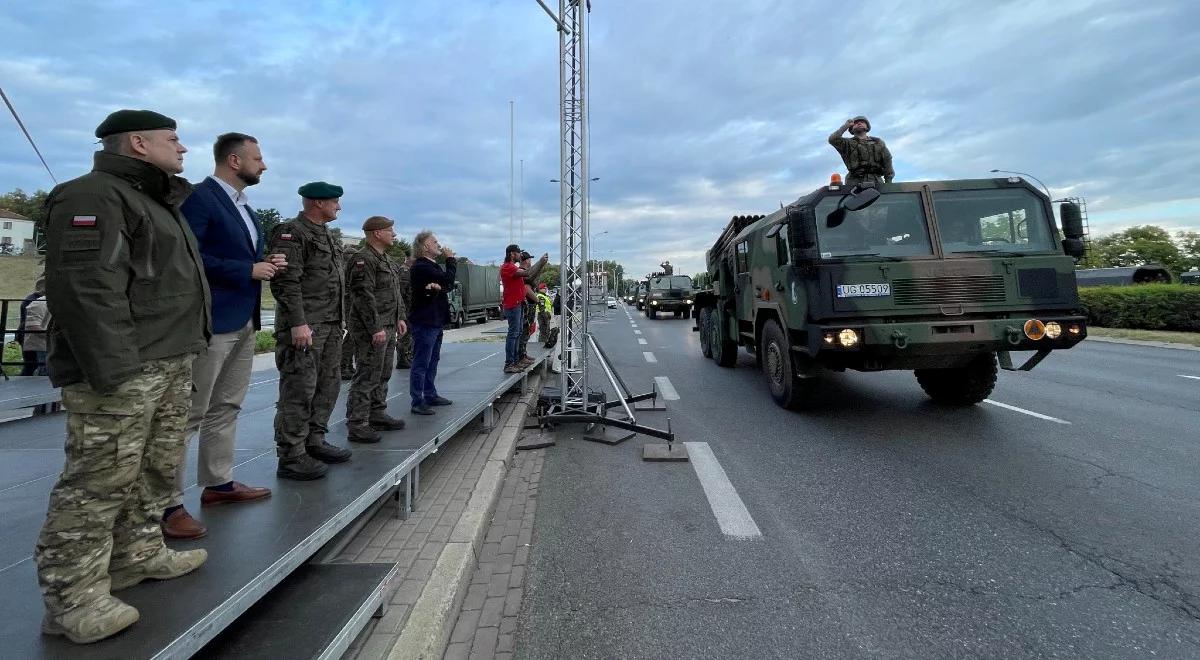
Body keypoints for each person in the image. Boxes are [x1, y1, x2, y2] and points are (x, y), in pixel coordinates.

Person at [35, 109, 211, 644]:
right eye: (172, 140)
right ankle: (72, 600)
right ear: (137, 143)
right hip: (124, 369)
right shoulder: (92, 195)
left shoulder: (156, 199)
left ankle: (136, 555)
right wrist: (113, 372)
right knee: (98, 483)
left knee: (153, 470)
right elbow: (87, 289)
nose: (182, 150)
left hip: (168, 359)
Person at [164, 132, 278, 540]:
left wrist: (263, 262)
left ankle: (218, 483)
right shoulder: (201, 198)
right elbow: (187, 254)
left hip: (243, 321)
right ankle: (169, 502)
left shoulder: (244, 207)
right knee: (190, 412)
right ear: (234, 160)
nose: (263, 165)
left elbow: (236, 255)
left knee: (227, 405)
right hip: (212, 322)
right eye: (257, 158)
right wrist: (244, 270)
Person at [267, 181, 353, 480]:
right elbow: (285, 282)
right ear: (318, 203)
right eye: (335, 202)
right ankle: (291, 455)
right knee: (299, 389)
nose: (339, 207)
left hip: (329, 324)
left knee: (328, 385)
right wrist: (298, 323)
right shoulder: (292, 233)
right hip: (306, 326)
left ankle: (314, 440)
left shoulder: (326, 236)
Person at [344, 216, 409, 442]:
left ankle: (377, 412)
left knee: (383, 373)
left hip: (389, 325)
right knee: (367, 373)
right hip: (371, 328)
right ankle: (358, 422)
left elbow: (395, 291)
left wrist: (400, 316)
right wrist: (375, 328)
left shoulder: (387, 260)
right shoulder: (363, 259)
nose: (395, 234)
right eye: (390, 230)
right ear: (377, 233)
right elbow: (362, 295)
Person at [408, 230, 456, 415]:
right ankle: (417, 400)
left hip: (435, 320)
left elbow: (447, 285)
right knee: (421, 362)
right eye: (434, 241)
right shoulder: (421, 266)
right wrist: (450, 259)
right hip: (425, 321)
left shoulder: (432, 266)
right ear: (425, 246)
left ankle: (430, 394)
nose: (439, 244)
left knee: (433, 360)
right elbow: (448, 280)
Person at [828, 115, 894, 186]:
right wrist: (845, 126)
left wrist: (888, 182)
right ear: (851, 129)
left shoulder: (878, 142)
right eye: (856, 123)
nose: (859, 123)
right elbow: (832, 139)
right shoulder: (847, 144)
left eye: (862, 122)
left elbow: (887, 160)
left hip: (876, 181)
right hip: (854, 182)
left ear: (867, 127)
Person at [516, 251, 547, 367]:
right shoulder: (522, 273)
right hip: (527, 305)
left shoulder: (524, 273)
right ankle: (521, 355)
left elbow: (532, 277)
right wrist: (538, 301)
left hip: (529, 304)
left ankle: (523, 354)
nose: (531, 262)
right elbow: (527, 288)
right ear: (527, 260)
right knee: (524, 330)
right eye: (530, 259)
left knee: (526, 331)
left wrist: (541, 265)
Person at [15, 286, 43, 376]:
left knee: (30, 364)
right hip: (30, 337)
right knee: (32, 364)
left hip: (25, 335)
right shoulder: (37, 301)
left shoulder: (31, 298)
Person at [394, 254, 414, 369]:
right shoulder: (404, 271)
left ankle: (406, 357)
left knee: (408, 335)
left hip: (410, 308)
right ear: (408, 258)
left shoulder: (409, 270)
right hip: (406, 309)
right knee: (404, 335)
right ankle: (402, 359)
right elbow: (402, 292)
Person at [23, 292, 50, 376]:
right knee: (44, 375)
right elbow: (33, 327)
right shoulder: (40, 303)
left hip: (49, 346)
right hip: (43, 348)